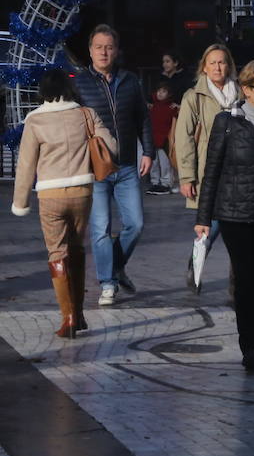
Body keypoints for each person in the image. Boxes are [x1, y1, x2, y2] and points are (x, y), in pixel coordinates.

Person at [193, 61, 254, 370]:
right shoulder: (228, 122)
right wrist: (203, 217)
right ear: (246, 89)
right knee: (246, 279)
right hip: (235, 214)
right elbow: (212, 172)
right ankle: (249, 346)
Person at [11, 71, 115, 338]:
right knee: (77, 249)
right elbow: (110, 146)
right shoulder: (86, 114)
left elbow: (25, 165)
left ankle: (68, 318)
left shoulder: (34, 120)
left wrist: (20, 202)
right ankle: (79, 315)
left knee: (57, 253)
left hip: (50, 196)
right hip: (82, 192)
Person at [72, 25, 152, 307]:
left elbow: (142, 118)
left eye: (109, 47)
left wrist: (149, 152)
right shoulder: (79, 83)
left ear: (116, 50)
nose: (104, 52)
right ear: (90, 50)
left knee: (136, 224)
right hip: (95, 168)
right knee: (100, 227)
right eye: (98, 47)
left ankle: (115, 265)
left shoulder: (130, 81)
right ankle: (108, 283)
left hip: (128, 165)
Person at [174, 44, 239, 293]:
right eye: (212, 63)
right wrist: (187, 176)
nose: (217, 67)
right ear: (204, 67)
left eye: (222, 62)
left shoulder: (241, 93)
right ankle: (196, 261)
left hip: (238, 171)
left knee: (237, 228)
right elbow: (184, 137)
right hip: (209, 172)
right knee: (210, 226)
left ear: (229, 65)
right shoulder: (194, 96)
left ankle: (237, 284)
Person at [146, 81, 177, 195]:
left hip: (165, 140)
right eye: (159, 91)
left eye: (163, 91)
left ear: (169, 94)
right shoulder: (152, 107)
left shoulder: (171, 107)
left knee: (165, 163)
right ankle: (155, 182)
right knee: (154, 163)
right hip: (153, 139)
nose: (160, 93)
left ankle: (165, 184)